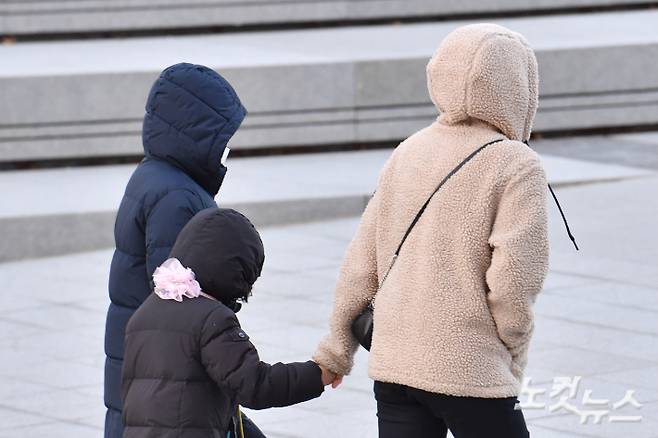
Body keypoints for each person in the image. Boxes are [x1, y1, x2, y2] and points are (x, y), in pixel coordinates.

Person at [314, 24, 550, 438]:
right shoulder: (516, 165)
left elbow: (360, 266)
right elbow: (515, 279)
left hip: (395, 365)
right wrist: (512, 351)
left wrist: (336, 351)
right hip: (468, 367)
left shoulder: (409, 150)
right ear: (518, 88)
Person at [104, 62, 247, 438]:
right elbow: (180, 305)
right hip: (165, 381)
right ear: (198, 134)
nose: (227, 147)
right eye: (222, 136)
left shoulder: (156, 176)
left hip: (145, 370)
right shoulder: (178, 198)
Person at [122, 207, 336, 438]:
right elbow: (256, 385)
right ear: (234, 270)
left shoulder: (144, 313)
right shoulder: (211, 318)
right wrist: (317, 375)